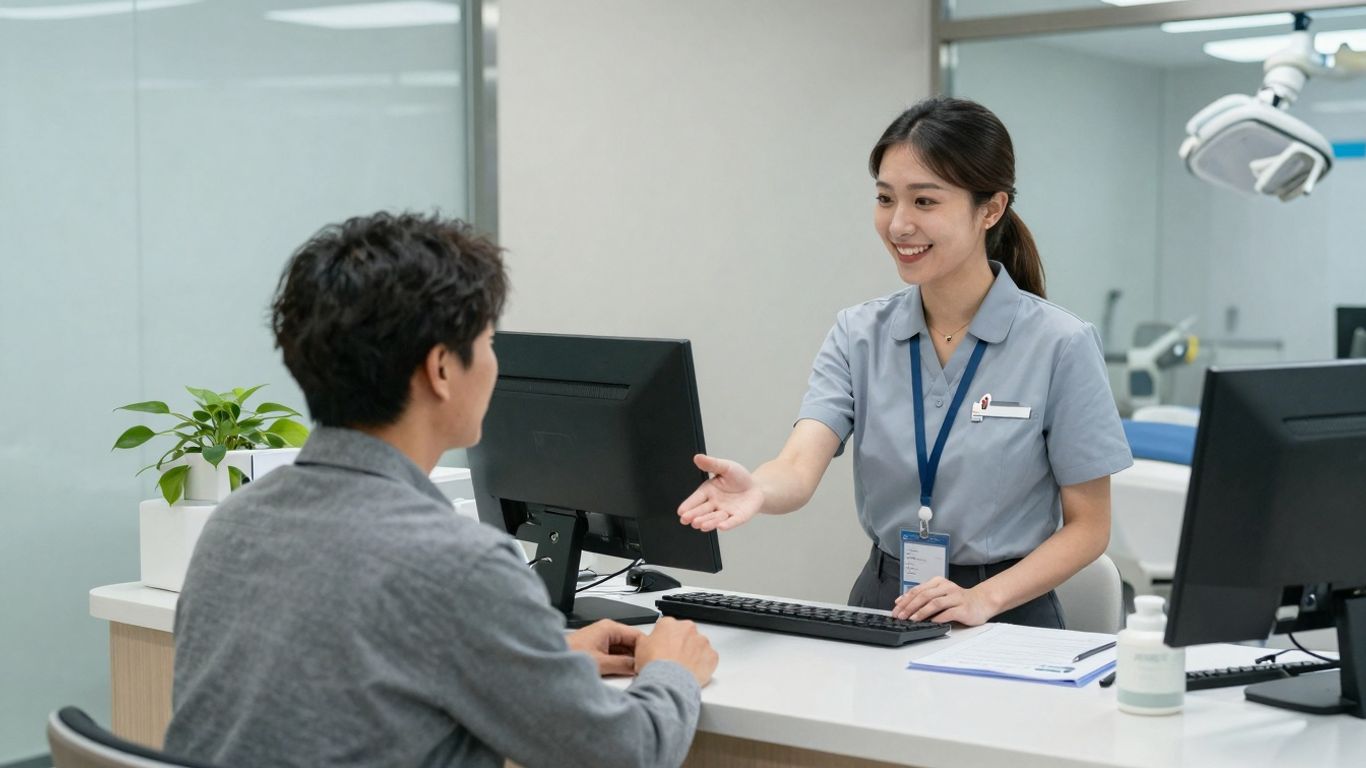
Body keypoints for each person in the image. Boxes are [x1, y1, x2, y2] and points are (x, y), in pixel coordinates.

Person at [163, 212, 717, 768]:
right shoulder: (460, 566)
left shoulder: (234, 523)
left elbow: (344, 666)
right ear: (441, 370)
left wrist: (532, 658)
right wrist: (673, 669)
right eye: (488, 341)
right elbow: (628, 754)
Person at [677, 98, 1132, 629]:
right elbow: (799, 465)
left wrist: (982, 599)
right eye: (885, 199)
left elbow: (1089, 526)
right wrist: (758, 488)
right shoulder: (858, 334)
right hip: (885, 602)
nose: (898, 225)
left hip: (1008, 614)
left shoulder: (1061, 344)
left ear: (991, 209)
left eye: (924, 201)